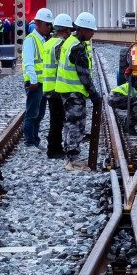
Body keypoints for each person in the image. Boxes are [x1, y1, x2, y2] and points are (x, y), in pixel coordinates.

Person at [55, 11, 101, 171]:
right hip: (74, 92)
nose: (92, 33)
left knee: (69, 124)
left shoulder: (68, 42)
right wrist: (93, 93)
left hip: (66, 91)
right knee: (76, 125)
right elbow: (83, 74)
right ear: (81, 29)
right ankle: (72, 161)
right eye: (90, 30)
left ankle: (69, 157)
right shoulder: (78, 47)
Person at [21, 7, 54, 149]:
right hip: (35, 84)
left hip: (42, 83)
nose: (49, 27)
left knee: (40, 114)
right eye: (47, 24)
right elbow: (29, 63)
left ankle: (35, 139)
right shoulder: (31, 40)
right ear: (38, 23)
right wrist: (33, 81)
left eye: (50, 24)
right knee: (32, 113)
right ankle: (29, 141)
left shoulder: (43, 40)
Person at [42, 13, 73, 159]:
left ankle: (55, 147)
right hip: (57, 88)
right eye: (69, 31)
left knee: (54, 118)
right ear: (65, 30)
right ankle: (54, 150)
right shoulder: (61, 45)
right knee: (57, 120)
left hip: (48, 86)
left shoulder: (48, 43)